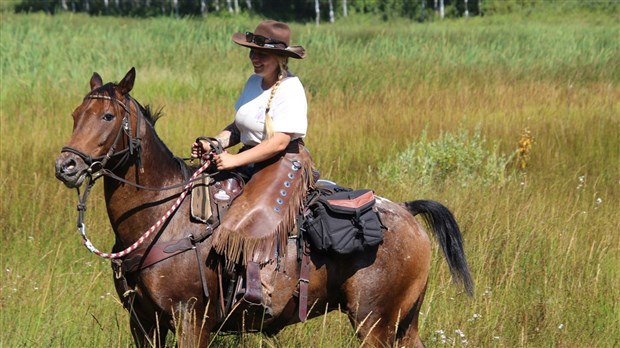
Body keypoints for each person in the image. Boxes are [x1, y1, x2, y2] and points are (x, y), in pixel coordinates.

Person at [191, 20, 315, 316]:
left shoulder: (291, 88)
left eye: (263, 55)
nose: (255, 59)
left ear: (281, 58)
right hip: (251, 157)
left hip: (284, 161)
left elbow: (279, 142)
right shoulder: (252, 83)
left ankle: (260, 288)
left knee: (253, 212)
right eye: (253, 53)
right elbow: (238, 127)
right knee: (200, 191)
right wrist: (215, 143)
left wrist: (234, 160)